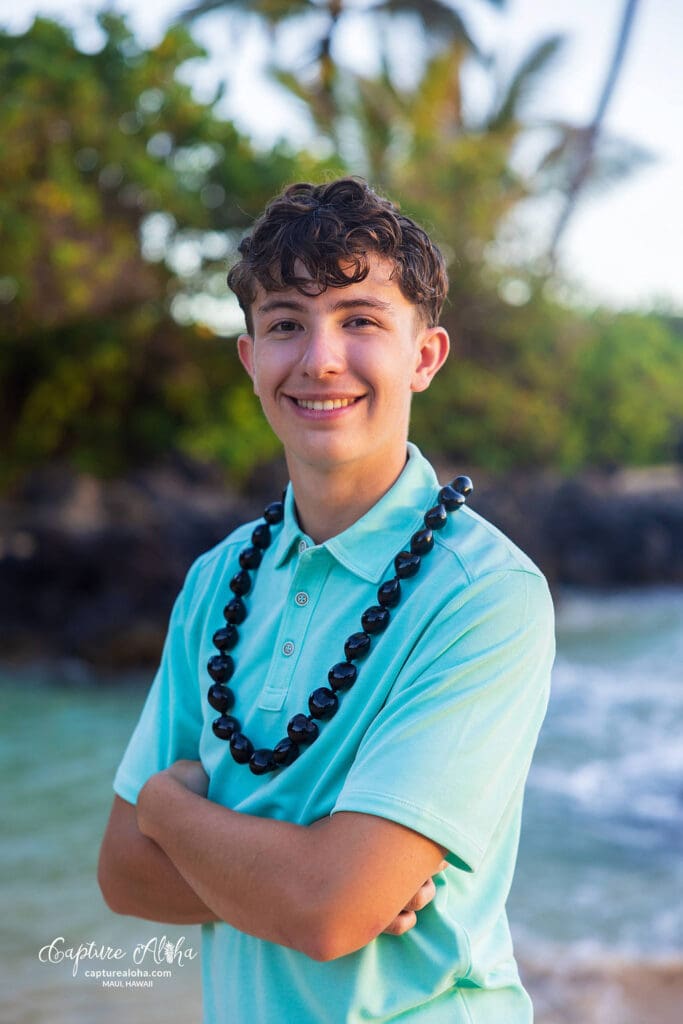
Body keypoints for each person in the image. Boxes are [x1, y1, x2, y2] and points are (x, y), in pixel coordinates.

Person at [98, 176, 555, 1023]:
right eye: (283, 325)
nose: (319, 358)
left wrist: (171, 809)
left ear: (424, 356)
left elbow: (330, 909)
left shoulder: (486, 594)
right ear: (249, 360)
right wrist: (305, 875)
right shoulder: (217, 581)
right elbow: (124, 875)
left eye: (359, 319)